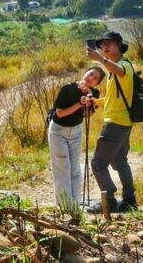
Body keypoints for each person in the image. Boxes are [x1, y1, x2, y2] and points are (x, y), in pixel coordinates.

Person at [86, 31, 139, 213]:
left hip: (116, 123)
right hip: (122, 122)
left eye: (109, 44)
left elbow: (121, 72)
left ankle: (109, 200)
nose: (105, 47)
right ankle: (129, 200)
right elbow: (112, 96)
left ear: (119, 45)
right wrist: (96, 102)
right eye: (102, 45)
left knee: (98, 163)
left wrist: (100, 59)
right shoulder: (112, 70)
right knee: (120, 161)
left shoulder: (124, 65)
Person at [48, 66, 104, 211]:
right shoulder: (68, 88)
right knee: (62, 167)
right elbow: (59, 113)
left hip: (76, 131)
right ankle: (65, 206)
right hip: (58, 131)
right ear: (85, 72)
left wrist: (89, 98)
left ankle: (75, 203)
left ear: (97, 84)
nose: (91, 78)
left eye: (95, 78)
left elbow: (88, 115)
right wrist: (79, 103)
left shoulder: (94, 94)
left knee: (74, 168)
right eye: (91, 74)